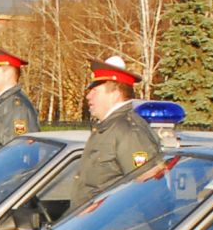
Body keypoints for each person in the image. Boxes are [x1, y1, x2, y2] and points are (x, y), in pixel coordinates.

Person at [65, 56, 160, 211]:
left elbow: (147, 192)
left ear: (115, 93)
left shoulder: (129, 131)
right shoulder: (109, 128)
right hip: (93, 227)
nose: (88, 96)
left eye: (95, 91)